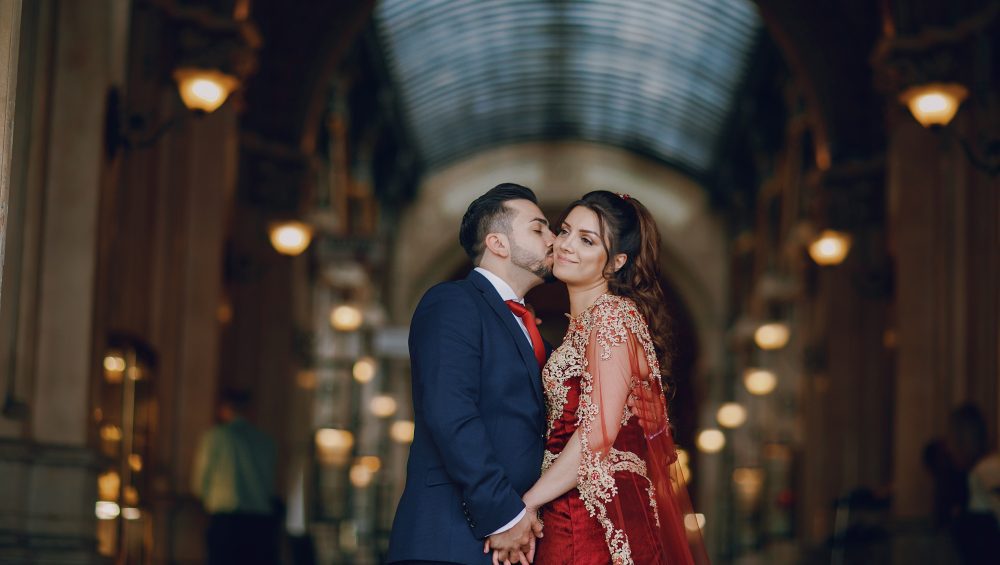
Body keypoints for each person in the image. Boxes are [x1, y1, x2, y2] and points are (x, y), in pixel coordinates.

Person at [488, 190, 707, 565]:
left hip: (591, 513)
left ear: (617, 262)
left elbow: (598, 434)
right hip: (568, 501)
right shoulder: (586, 325)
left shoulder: (612, 317)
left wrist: (525, 505)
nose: (566, 245)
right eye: (565, 230)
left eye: (587, 240)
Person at [387, 183, 555, 565]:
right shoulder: (452, 302)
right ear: (498, 244)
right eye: (538, 228)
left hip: (515, 542)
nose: (553, 238)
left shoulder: (531, 329)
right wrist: (506, 515)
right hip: (449, 540)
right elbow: (450, 411)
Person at [191, 389, 279, 565]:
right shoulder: (264, 440)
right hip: (259, 520)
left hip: (226, 517)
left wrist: (204, 500)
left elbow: (201, 479)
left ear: (225, 408)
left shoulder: (216, 437)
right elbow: (271, 482)